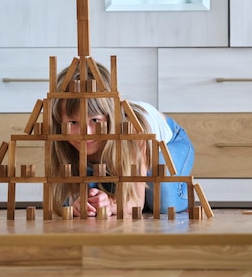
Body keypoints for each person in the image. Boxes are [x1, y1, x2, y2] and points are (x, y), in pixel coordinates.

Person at [49, 62, 194, 217]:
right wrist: (78, 203)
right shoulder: (60, 136)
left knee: (163, 200)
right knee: (81, 196)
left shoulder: (132, 129)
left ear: (111, 116)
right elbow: (60, 196)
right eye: (73, 122)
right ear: (59, 121)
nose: (86, 133)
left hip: (167, 143)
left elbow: (136, 203)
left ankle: (178, 191)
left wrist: (112, 204)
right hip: (112, 159)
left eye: (95, 121)